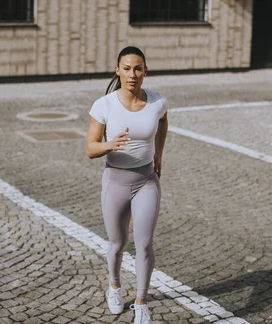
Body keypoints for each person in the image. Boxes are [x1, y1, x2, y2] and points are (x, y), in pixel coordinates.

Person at [86, 46, 168, 324]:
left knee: (144, 245)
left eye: (138, 68)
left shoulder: (158, 102)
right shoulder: (104, 104)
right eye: (127, 68)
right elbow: (90, 148)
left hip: (146, 181)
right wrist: (110, 144)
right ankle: (114, 287)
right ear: (117, 70)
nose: (132, 74)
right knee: (117, 244)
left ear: (145, 71)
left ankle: (142, 302)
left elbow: (163, 121)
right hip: (115, 182)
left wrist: (158, 154)